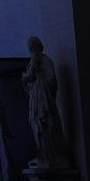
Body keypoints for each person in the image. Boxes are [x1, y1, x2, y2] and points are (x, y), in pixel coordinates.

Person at [22, 36, 70, 171]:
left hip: (44, 100)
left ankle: (51, 155)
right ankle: (42, 154)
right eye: (30, 48)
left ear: (39, 47)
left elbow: (52, 82)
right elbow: (28, 82)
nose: (32, 50)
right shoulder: (32, 62)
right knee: (36, 125)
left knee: (45, 125)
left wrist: (38, 78)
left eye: (34, 47)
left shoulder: (46, 61)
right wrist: (27, 80)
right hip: (36, 100)